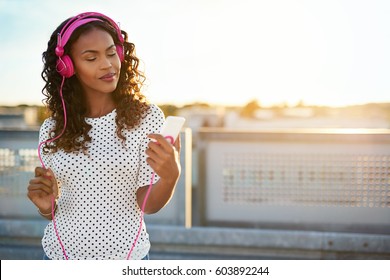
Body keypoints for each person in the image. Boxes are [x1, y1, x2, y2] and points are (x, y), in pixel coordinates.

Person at [27, 12, 181, 260]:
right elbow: (54, 209)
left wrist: (170, 177)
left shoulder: (148, 118)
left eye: (111, 53)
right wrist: (46, 208)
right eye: (91, 58)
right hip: (59, 258)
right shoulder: (52, 129)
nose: (108, 64)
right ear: (67, 67)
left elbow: (147, 204)